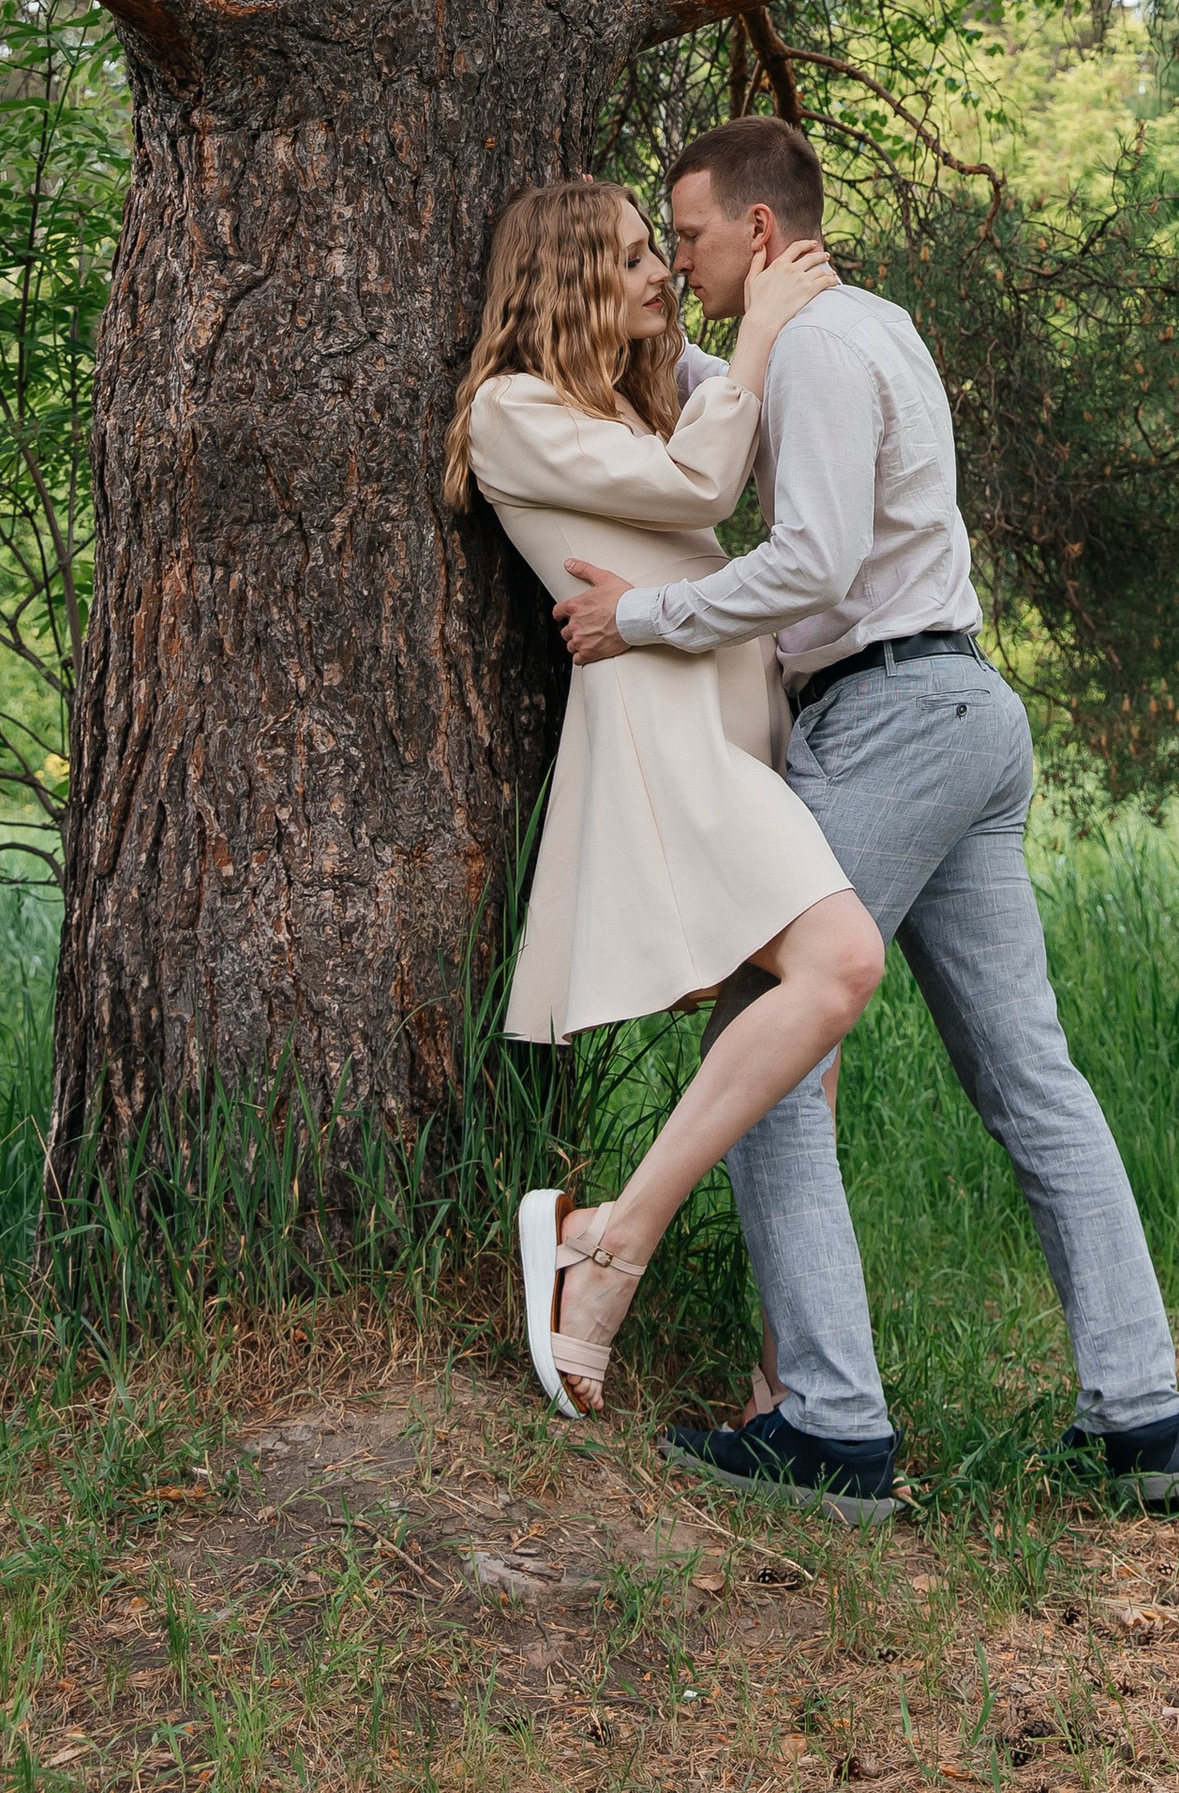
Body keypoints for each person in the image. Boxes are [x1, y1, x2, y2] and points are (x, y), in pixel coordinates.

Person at [553, 115, 1179, 1523]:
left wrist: (640, 620)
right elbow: (708, 404)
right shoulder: (849, 338)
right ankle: (1144, 1415)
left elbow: (818, 558)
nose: (681, 259)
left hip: (896, 714)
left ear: (763, 233)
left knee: (766, 1039)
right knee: (1031, 1080)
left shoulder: (835, 349)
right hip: (959, 711)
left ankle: (832, 1431)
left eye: (693, 236)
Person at [449, 175, 887, 1422]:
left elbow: (705, 465)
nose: (662, 276)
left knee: (806, 1068)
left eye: (664, 250)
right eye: (637, 259)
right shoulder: (512, 413)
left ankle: (792, 1383)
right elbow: (706, 494)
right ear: (573, 278)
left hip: (738, 734)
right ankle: (604, 1251)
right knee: (840, 965)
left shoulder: (625, 410)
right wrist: (753, 335)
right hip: (671, 749)